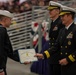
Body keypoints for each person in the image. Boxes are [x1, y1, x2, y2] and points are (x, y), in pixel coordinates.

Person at [35, 6, 76, 75]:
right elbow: (56, 46)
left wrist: (68, 60)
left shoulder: (75, 30)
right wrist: (44, 55)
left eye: (63, 16)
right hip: (63, 65)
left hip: (73, 65)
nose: (61, 18)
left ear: (70, 16)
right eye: (61, 16)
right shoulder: (62, 30)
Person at [0, 10, 29, 75]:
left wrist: (21, 59)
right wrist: (0, 69)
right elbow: (0, 51)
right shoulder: (1, 31)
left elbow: (8, 51)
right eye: (10, 19)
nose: (11, 22)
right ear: (5, 19)